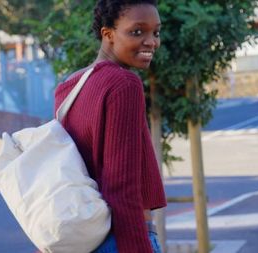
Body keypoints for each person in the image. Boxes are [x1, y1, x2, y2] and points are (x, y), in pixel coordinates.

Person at [54, 0, 166, 252]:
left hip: (83, 237)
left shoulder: (69, 86)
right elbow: (121, 185)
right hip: (122, 237)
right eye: (137, 31)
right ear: (108, 34)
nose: (151, 41)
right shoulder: (124, 85)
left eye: (156, 32)